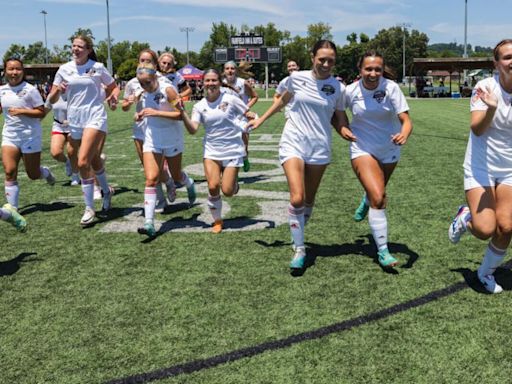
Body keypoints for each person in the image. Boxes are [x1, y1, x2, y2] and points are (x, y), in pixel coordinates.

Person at [247, 40, 349, 273]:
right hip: (293, 142)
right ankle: (300, 249)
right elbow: (282, 101)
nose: (325, 64)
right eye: (321, 59)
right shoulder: (296, 78)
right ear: (312, 57)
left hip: (319, 147)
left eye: (330, 60)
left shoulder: (338, 88)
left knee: (309, 200)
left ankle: (298, 232)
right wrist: (261, 119)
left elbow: (340, 117)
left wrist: (346, 131)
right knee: (297, 198)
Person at [448, 39, 512, 294]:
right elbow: (477, 127)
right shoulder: (485, 87)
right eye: (507, 57)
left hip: (509, 168)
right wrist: (491, 109)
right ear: (496, 63)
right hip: (481, 166)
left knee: (506, 226)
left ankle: (485, 272)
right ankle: (465, 217)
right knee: (486, 229)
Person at [340, 50, 412, 268]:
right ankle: (383, 252)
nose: (373, 73)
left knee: (374, 193)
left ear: (382, 70)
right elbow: (338, 112)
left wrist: (404, 134)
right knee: (379, 197)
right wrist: (343, 126)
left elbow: (406, 120)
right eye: (368, 69)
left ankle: (366, 198)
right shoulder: (350, 91)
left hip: (390, 149)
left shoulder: (391, 88)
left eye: (377, 69)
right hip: (362, 148)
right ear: (360, 70)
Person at [48, 35, 119, 227]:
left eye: (80, 46)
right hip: (75, 119)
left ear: (88, 50)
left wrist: (113, 97)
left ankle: (89, 209)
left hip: (95, 116)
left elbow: (114, 87)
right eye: (73, 46)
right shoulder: (64, 69)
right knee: (94, 159)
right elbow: (52, 98)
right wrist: (58, 91)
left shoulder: (98, 67)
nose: (76, 49)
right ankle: (106, 191)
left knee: (82, 161)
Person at [179, 68, 256, 233]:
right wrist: (182, 113)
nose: (210, 84)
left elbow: (248, 113)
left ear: (220, 82)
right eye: (207, 81)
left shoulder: (231, 99)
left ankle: (233, 185)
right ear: (202, 83)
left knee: (227, 191)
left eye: (214, 80)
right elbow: (193, 129)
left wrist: (252, 118)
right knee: (213, 186)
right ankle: (217, 221)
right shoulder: (199, 106)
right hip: (212, 151)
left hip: (233, 150)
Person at [0, 57, 56, 215]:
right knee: (10, 171)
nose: (14, 72)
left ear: (23, 71)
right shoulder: (2, 90)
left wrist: (22, 111)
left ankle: (44, 172)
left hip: (30, 136)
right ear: (5, 71)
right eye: (10, 69)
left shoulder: (30, 89)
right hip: (10, 136)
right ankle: (13, 208)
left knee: (33, 174)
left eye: (18, 69)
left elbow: (40, 112)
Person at [122, 49, 175, 212]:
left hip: (157, 128)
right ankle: (161, 198)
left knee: (156, 168)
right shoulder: (132, 82)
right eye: (141, 60)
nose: (144, 63)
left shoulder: (162, 80)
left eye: (148, 61)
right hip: (140, 128)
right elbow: (124, 107)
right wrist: (129, 102)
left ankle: (169, 182)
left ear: (154, 63)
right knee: (148, 168)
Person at [134, 63, 182, 237]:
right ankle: (149, 223)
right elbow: (140, 112)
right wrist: (138, 115)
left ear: (155, 78)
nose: (144, 87)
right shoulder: (141, 93)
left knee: (177, 176)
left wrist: (156, 113)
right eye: (141, 83)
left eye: (147, 83)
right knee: (151, 179)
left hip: (172, 137)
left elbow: (180, 115)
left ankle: (187, 183)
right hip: (152, 139)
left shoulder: (168, 90)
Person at [156, 52, 196, 206]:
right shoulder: (152, 75)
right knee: (156, 165)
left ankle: (185, 182)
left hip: (172, 116)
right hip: (154, 120)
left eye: (169, 64)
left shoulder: (176, 76)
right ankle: (166, 190)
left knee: (174, 170)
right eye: (163, 63)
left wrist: (177, 96)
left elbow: (188, 90)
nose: (166, 66)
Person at [222, 60, 259, 172]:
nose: (230, 70)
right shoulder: (220, 84)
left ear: (236, 70)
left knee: (243, 144)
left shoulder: (243, 83)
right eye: (227, 68)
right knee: (229, 145)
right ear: (224, 71)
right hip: (228, 117)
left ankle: (245, 157)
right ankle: (232, 171)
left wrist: (245, 108)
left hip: (242, 117)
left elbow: (254, 97)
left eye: (232, 68)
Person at [44, 94, 80, 185]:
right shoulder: (53, 95)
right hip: (58, 127)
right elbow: (44, 111)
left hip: (74, 126)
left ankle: (75, 176)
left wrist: (72, 121)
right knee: (55, 153)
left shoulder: (76, 93)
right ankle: (68, 162)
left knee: (71, 151)